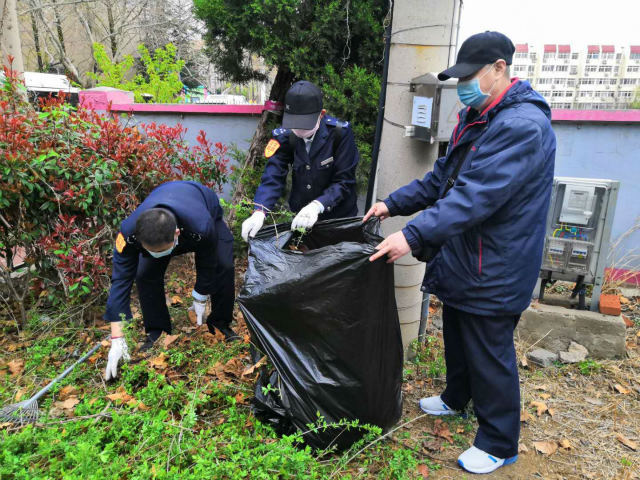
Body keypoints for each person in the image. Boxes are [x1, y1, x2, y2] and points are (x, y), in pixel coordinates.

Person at [364, 31, 556, 474]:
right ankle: (456, 398)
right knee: (458, 329)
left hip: (499, 262)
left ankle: (499, 441)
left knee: (489, 350)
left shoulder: (521, 126)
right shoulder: (477, 116)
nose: (464, 85)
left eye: (470, 76)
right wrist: (391, 203)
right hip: (469, 254)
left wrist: (410, 236)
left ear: (499, 69)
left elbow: (474, 197)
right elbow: (441, 181)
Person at [104, 181, 236, 380]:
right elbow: (120, 281)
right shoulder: (128, 232)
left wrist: (200, 294)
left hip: (203, 205)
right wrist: (117, 339)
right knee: (144, 273)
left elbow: (207, 261)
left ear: (176, 235)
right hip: (162, 213)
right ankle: (157, 330)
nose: (159, 255)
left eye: (162, 251)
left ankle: (220, 323)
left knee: (223, 265)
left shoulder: (202, 225)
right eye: (151, 251)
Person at [241, 80, 359, 241]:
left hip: (338, 220)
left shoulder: (339, 134)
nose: (300, 130)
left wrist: (317, 205)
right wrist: (259, 211)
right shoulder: (284, 136)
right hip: (301, 220)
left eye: (305, 125)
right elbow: (273, 176)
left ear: (321, 114)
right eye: (296, 124)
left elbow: (344, 181)